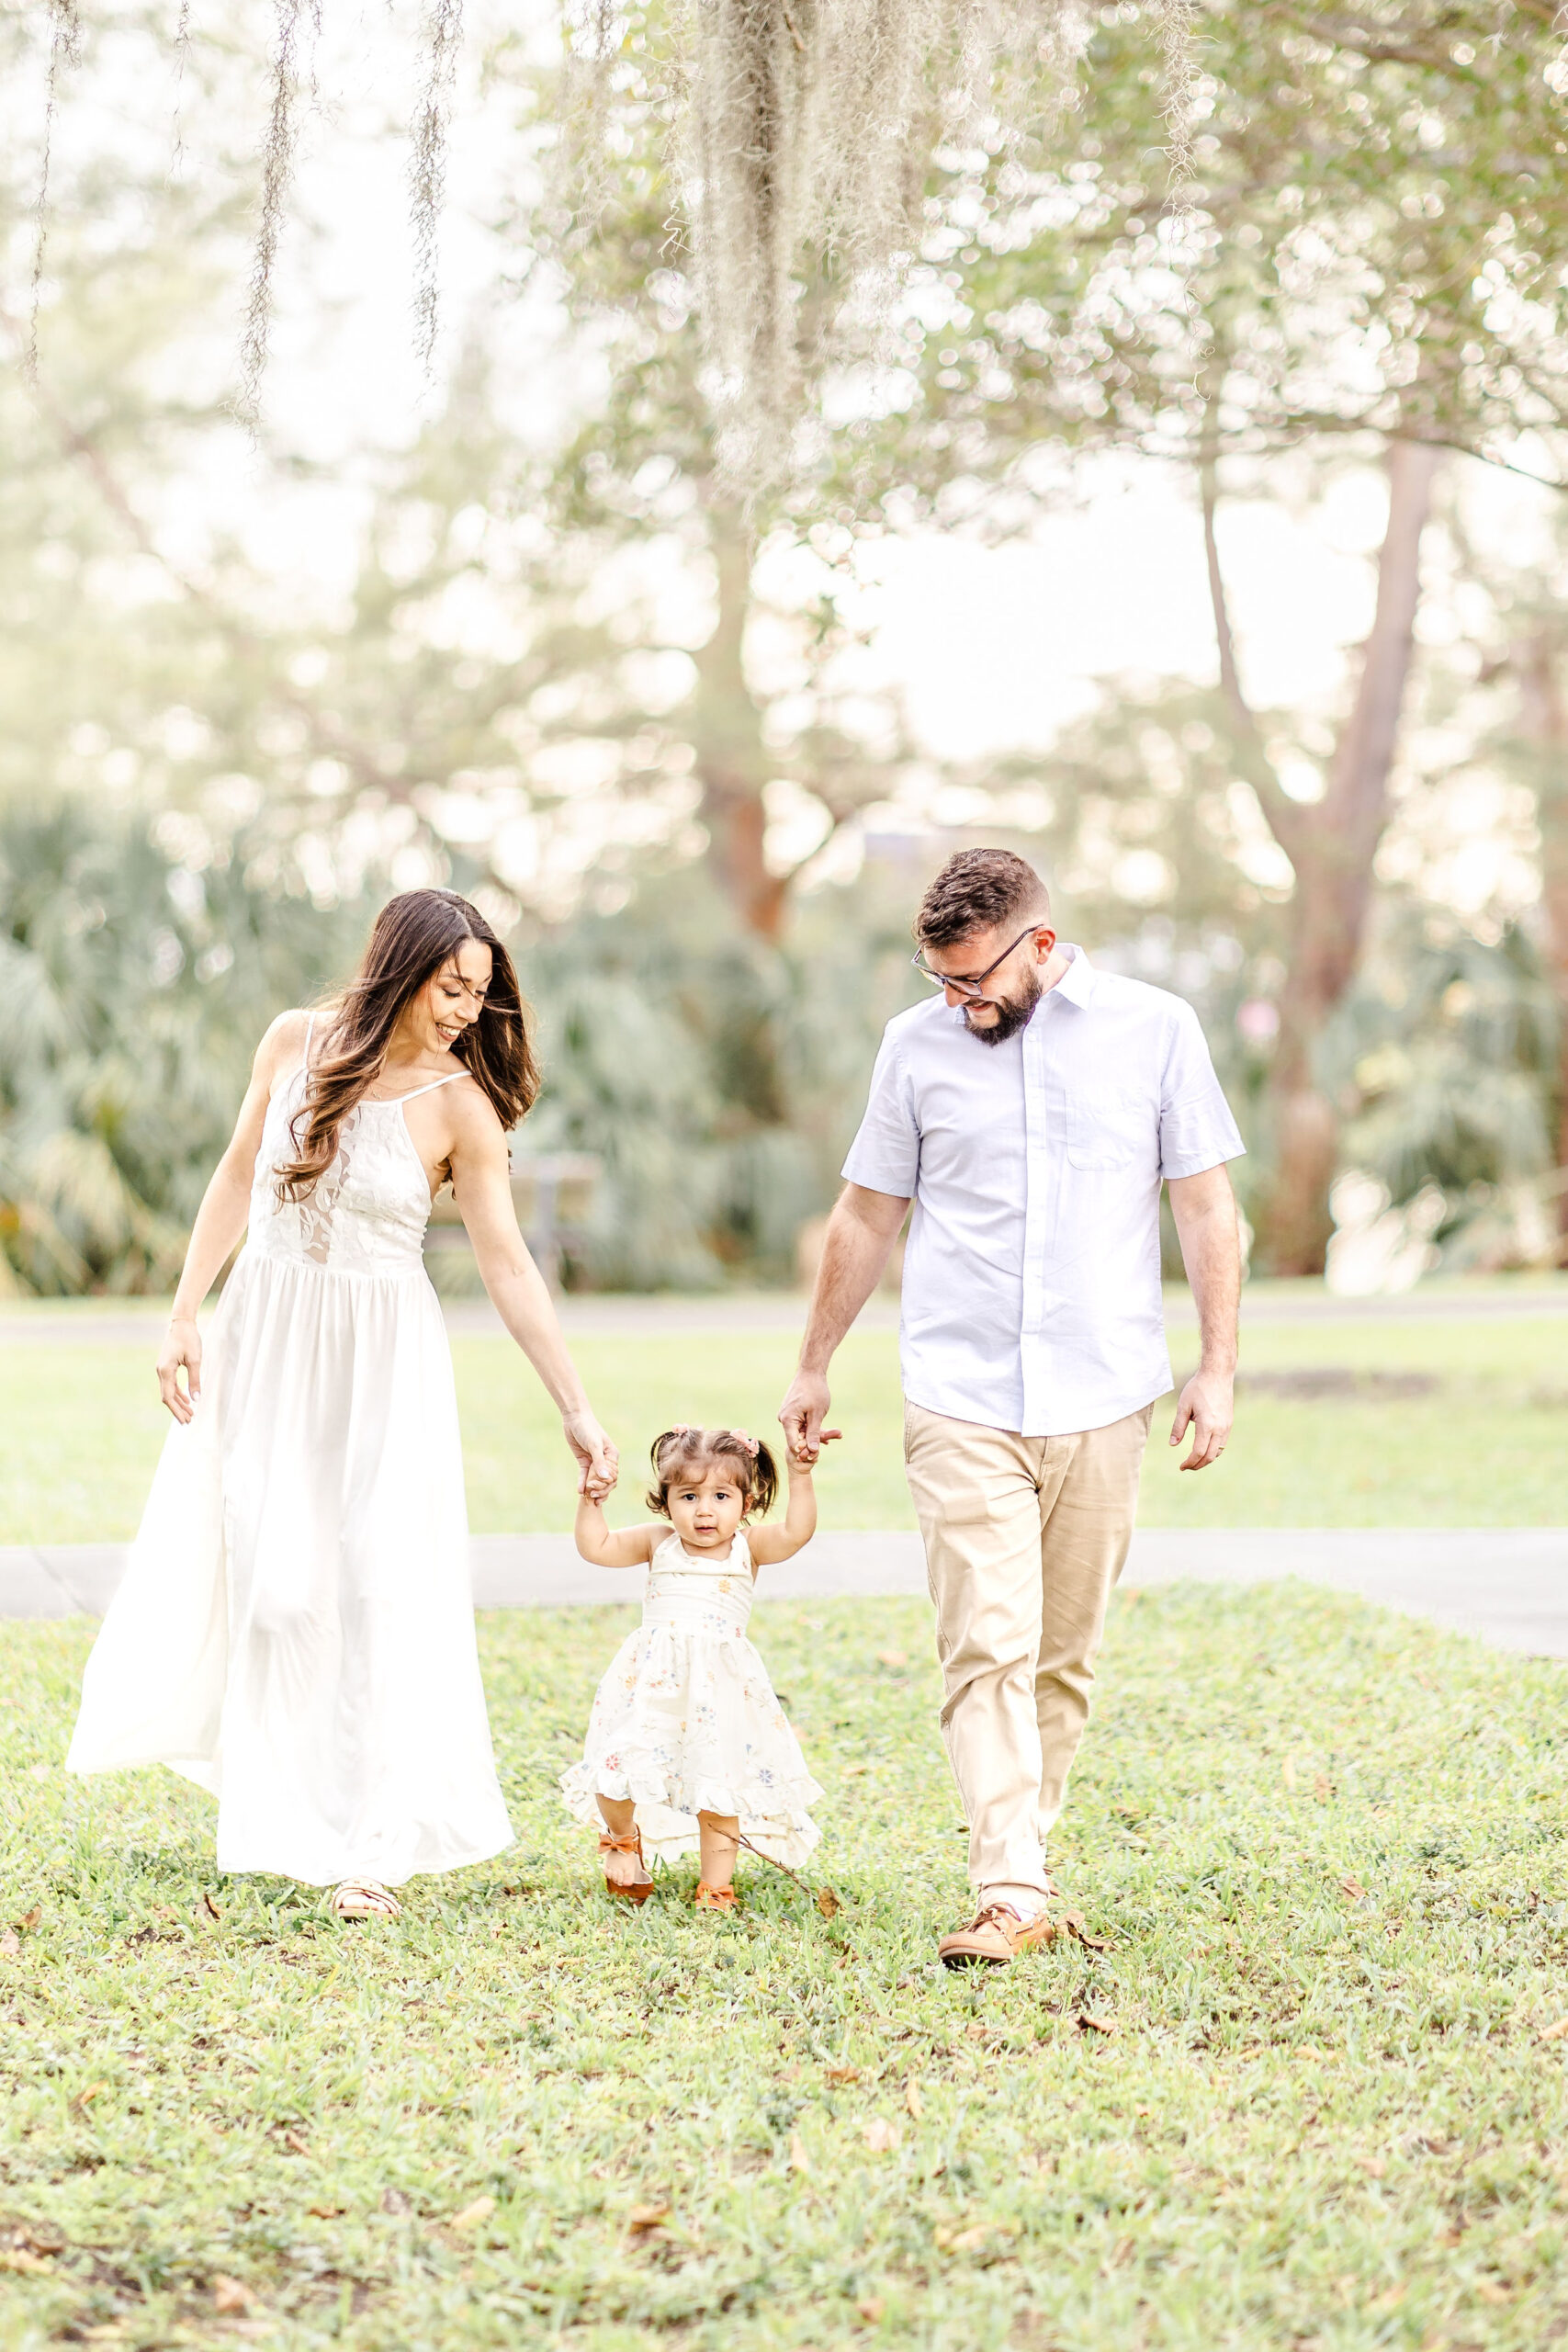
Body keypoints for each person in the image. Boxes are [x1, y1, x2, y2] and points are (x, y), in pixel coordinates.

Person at [67, 888, 618, 1921]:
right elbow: (236, 1176)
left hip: (384, 1362)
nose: (466, 1008)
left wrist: (576, 1407)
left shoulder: (462, 1106)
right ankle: (287, 1813)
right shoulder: (292, 1041)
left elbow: (507, 1266)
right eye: (452, 985)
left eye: (480, 993)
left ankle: (374, 1844)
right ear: (399, 964)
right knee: (279, 1594)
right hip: (268, 1339)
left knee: (379, 1590)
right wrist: (186, 1311)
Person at [779, 847, 1244, 1969]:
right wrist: (812, 1364)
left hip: (1103, 1391)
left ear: (1041, 944)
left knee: (1061, 1656)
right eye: (941, 980)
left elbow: (1205, 1202)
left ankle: (1022, 1846)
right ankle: (1009, 1885)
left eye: (974, 980)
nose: (958, 1002)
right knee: (986, 1643)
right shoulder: (915, 1046)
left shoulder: (1157, 1028)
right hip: (960, 1391)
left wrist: (1218, 1363)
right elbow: (864, 1215)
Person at [561, 1424, 827, 1911]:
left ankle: (716, 1885)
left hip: (720, 1691)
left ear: (746, 1503)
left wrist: (802, 1472)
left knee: (717, 1786)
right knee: (619, 1765)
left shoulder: (748, 1548)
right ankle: (622, 1840)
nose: (704, 1510)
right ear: (665, 1501)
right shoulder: (657, 1543)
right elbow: (595, 1547)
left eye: (721, 1495)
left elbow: (796, 1532)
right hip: (653, 1684)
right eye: (688, 1496)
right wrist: (591, 1500)